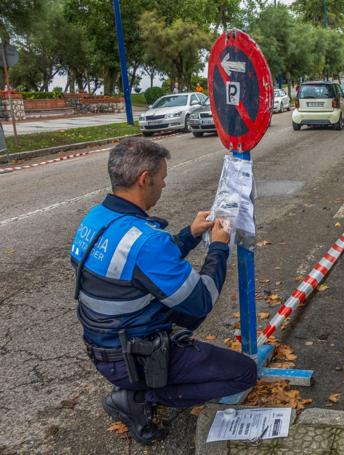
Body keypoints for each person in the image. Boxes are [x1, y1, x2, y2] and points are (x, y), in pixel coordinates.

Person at [70, 138, 257, 445]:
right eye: (162, 178)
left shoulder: (96, 219)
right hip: (133, 358)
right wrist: (220, 248)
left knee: (175, 304)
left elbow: (140, 268)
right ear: (145, 179)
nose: (164, 184)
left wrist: (190, 235)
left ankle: (136, 388)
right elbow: (201, 300)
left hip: (103, 345)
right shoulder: (146, 243)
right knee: (243, 373)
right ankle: (140, 397)